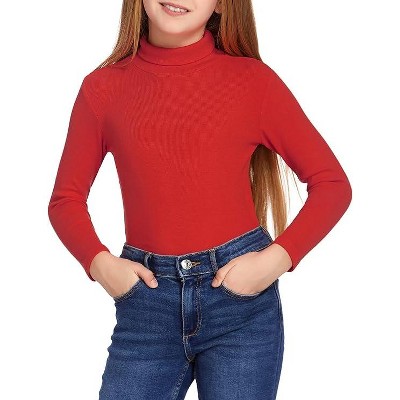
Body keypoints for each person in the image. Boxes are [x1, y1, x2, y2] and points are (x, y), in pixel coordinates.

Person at [48, 0, 352, 399]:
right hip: (146, 303)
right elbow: (66, 200)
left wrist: (274, 261)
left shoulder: (253, 81)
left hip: (239, 302)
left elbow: (332, 184)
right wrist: (101, 265)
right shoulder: (103, 88)